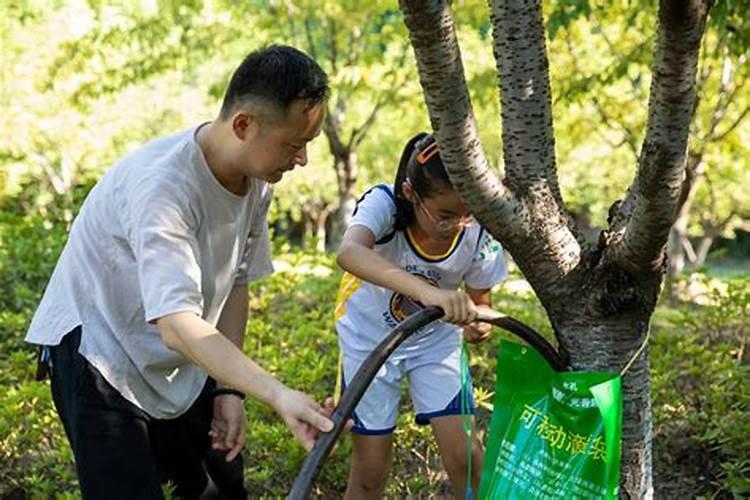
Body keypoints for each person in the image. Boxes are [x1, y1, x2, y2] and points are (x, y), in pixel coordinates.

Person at [25, 45, 334, 500]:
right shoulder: (164, 187)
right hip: (99, 353)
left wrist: (230, 391)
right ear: (244, 124)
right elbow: (175, 325)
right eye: (294, 144)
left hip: (179, 354)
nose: (303, 159)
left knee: (221, 485)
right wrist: (278, 394)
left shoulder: (258, 184)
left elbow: (235, 285)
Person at [335, 132, 507, 499]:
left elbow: (480, 300)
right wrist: (431, 294)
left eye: (466, 213)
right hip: (369, 341)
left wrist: (477, 323)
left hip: (435, 344)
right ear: (412, 194)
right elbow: (349, 253)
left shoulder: (478, 231)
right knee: (370, 472)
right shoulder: (384, 203)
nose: (458, 224)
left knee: (467, 458)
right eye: (445, 215)